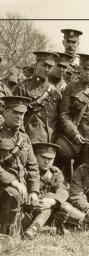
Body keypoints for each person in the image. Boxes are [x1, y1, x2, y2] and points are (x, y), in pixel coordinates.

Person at [0, 96, 40, 238]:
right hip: (4, 184)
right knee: (13, 194)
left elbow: (33, 166)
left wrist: (34, 191)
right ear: (5, 113)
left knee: (41, 203)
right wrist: (13, 182)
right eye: (15, 112)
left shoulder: (24, 138)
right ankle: (6, 237)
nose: (19, 117)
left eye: (21, 114)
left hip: (22, 186)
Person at [12, 51, 62, 144]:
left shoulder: (56, 92)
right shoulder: (22, 87)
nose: (47, 69)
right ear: (36, 65)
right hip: (29, 140)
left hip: (51, 141)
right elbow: (14, 115)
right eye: (44, 65)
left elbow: (58, 119)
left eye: (50, 67)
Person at [22, 143, 68, 240]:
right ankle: (42, 229)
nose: (47, 162)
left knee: (51, 197)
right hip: (25, 210)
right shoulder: (25, 171)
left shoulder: (54, 173)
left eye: (50, 159)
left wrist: (52, 201)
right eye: (44, 157)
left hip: (43, 211)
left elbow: (63, 190)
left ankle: (33, 230)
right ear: (35, 156)